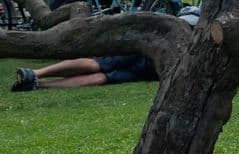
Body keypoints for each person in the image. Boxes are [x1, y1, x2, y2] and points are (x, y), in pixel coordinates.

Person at [13, 53, 156, 91]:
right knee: (97, 66)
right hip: (147, 55)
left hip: (152, 69)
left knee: (102, 76)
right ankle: (35, 73)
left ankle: (36, 83)